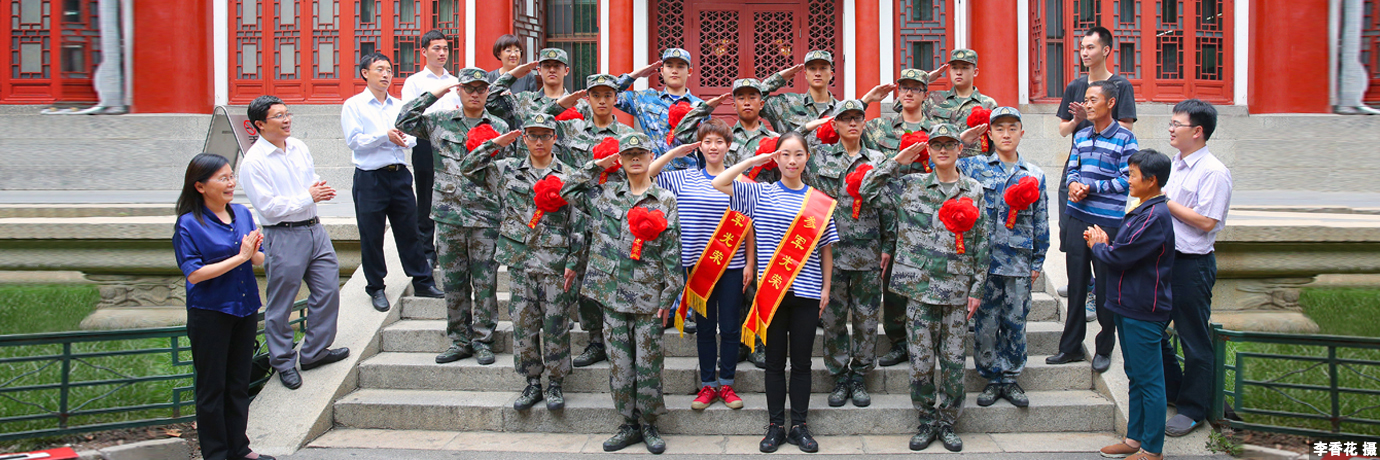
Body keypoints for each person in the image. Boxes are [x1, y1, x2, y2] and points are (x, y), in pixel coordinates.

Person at [856, 124, 989, 452]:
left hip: (956, 291)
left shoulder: (973, 189)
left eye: (949, 144)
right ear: (927, 150)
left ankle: (949, 421)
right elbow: (866, 189)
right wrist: (897, 161)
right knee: (920, 363)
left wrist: (977, 288)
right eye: (936, 145)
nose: (943, 150)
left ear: (960, 148)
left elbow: (982, 241)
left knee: (954, 363)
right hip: (919, 291)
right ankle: (927, 420)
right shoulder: (911, 185)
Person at [713, 131, 839, 454]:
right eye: (785, 154)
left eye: (798, 154)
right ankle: (776, 426)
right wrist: (756, 160)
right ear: (777, 158)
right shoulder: (760, 193)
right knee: (773, 363)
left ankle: (799, 426)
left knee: (802, 363)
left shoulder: (819, 201)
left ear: (807, 158)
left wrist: (826, 288)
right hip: (772, 294)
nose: (792, 161)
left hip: (807, 294)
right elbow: (720, 182)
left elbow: (826, 248)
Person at [567, 132, 683, 454]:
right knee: (620, 366)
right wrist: (596, 165)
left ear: (650, 157)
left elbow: (672, 250)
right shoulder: (605, 195)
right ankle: (628, 423)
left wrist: (670, 294)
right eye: (628, 154)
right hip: (613, 295)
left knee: (649, 364)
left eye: (640, 153)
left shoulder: (665, 199)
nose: (635, 159)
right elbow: (567, 190)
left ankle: (649, 423)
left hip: (648, 296)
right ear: (619, 160)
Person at [462, 113, 586, 413]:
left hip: (555, 263)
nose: (539, 141)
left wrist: (573, 261)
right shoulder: (506, 170)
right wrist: (494, 144)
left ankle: (555, 383)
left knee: (556, 325)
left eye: (545, 135)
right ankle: (532, 382)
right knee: (523, 325)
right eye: (533, 135)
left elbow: (579, 223)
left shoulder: (569, 175)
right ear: (525, 138)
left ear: (555, 138)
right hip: (520, 262)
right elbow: (468, 168)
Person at [397, 67, 510, 366]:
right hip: (449, 215)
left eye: (481, 89)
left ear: (488, 92)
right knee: (453, 282)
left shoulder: (499, 126)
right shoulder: (439, 121)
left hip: (485, 216)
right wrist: (435, 93)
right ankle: (459, 340)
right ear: (459, 91)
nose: (475, 94)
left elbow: (506, 172)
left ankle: (483, 340)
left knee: (485, 282)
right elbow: (403, 120)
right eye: (469, 88)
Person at [240, 95, 348, 390]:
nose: (286, 120)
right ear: (260, 124)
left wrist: (318, 189)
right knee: (281, 302)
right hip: (283, 235)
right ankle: (283, 361)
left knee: (328, 290)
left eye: (287, 113)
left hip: (315, 230)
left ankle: (315, 351)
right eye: (279, 116)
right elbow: (268, 207)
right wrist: (307, 197)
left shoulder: (298, 146)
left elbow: (310, 178)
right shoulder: (254, 163)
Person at [172, 153, 275, 460]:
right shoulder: (189, 224)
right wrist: (240, 257)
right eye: (223, 178)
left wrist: (260, 252)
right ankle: (216, 454)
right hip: (210, 313)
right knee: (212, 388)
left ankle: (240, 449)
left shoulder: (242, 213)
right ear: (200, 186)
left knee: (238, 384)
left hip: (245, 308)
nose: (231, 183)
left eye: (232, 176)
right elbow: (194, 274)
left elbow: (257, 258)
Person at [674, 79, 780, 366]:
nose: (747, 101)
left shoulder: (772, 140)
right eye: (740, 97)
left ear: (762, 102)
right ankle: (728, 358)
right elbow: (680, 137)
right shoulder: (719, 138)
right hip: (713, 241)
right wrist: (705, 108)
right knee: (719, 315)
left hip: (753, 230)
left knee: (753, 295)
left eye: (752, 96)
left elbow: (782, 176)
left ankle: (752, 347)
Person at [797, 100, 894, 408]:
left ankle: (860, 376)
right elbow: (792, 144)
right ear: (835, 124)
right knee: (834, 319)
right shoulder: (820, 157)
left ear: (864, 123)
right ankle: (839, 376)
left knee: (867, 318)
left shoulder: (878, 159)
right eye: (845, 118)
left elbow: (888, 205)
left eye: (857, 118)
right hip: (831, 254)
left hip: (868, 252)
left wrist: (888, 246)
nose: (852, 123)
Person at [649, 118, 748, 411]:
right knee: (704, 328)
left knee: (730, 327)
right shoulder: (684, 178)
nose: (713, 147)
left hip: (732, 265)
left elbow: (749, 226)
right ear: (700, 147)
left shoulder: (741, 182)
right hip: (697, 266)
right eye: (707, 141)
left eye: (719, 141)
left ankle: (726, 383)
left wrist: (750, 264)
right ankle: (707, 384)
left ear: (728, 146)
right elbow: (649, 176)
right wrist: (674, 153)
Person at [541, 74, 639, 367]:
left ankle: (620, 338)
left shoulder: (627, 135)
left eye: (608, 95)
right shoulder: (571, 130)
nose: (602, 101)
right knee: (586, 281)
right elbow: (538, 120)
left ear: (616, 99)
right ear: (588, 98)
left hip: (617, 219)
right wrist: (563, 103)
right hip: (582, 218)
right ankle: (596, 340)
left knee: (620, 277)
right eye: (596, 95)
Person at [957, 107, 1050, 408]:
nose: (1006, 134)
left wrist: (1037, 262)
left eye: (1012, 128)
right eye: (999, 128)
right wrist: (965, 139)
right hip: (984, 264)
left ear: (1022, 133)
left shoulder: (1034, 174)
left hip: (1018, 264)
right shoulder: (974, 167)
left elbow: (1041, 220)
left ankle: (1010, 378)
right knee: (985, 324)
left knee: (1015, 321)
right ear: (990, 133)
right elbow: (938, 161)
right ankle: (990, 378)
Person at [1088, 149, 1175, 460]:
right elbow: (1126, 250)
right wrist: (1106, 244)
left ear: (1152, 181)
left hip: (1143, 308)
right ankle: (1134, 439)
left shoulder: (1154, 216)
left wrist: (1099, 247)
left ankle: (1152, 450)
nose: (1128, 180)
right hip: (1128, 305)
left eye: (1133, 175)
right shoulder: (1143, 210)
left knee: (1150, 381)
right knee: (1136, 376)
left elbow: (1122, 257)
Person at [341, 52, 444, 312]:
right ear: (365, 73)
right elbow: (355, 141)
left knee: (409, 231)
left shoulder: (399, 105)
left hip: (399, 175)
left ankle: (422, 280)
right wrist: (384, 136)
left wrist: (401, 139)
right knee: (371, 234)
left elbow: (413, 137)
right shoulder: (354, 105)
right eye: (380, 69)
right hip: (370, 178)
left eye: (388, 70)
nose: (386, 74)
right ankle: (376, 286)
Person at [1049, 79, 1139, 374]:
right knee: (1077, 284)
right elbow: (1072, 168)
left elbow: (1127, 179)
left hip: (1107, 222)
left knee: (1105, 287)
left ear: (1110, 103)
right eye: (1086, 100)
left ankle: (1104, 347)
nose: (1086, 105)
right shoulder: (1081, 135)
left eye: (1093, 100)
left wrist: (1091, 187)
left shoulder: (1126, 139)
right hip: (1077, 216)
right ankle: (1071, 347)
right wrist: (1074, 184)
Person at [1160, 99, 1233, 437]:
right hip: (1165, 261)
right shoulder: (1175, 165)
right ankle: (1178, 391)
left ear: (1198, 131)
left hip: (1192, 265)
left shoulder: (1213, 172)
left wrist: (1164, 202)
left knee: (1193, 339)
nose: (1171, 129)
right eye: (1171, 123)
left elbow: (1206, 221)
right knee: (1151, 331)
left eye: (1177, 124)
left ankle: (1193, 410)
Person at [1054, 26, 1138, 315]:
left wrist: (1092, 119)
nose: (1084, 52)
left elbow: (1126, 126)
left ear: (1106, 50)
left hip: (1105, 171)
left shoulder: (1120, 86)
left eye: (1090, 47)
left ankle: (1096, 293)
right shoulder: (1075, 86)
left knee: (1100, 234)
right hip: (1076, 169)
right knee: (1069, 230)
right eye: (1082, 47)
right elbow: (1063, 130)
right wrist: (1078, 119)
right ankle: (1083, 282)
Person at [861, 68, 934, 368]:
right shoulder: (879, 128)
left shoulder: (937, 129)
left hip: (928, 221)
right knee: (892, 285)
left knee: (926, 283)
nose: (909, 93)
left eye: (916, 88)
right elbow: (842, 124)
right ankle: (898, 342)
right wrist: (866, 100)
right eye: (904, 88)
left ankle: (925, 341)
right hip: (891, 218)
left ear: (925, 94)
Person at [400, 30, 463, 266]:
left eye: (445, 48)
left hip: (453, 146)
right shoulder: (415, 82)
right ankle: (426, 251)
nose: (442, 53)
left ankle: (448, 247)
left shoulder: (455, 81)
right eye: (436, 48)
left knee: (452, 194)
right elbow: (407, 114)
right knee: (426, 196)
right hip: (426, 143)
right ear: (424, 51)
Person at [613, 48, 705, 170]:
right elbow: (610, 94)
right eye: (669, 66)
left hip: (688, 175)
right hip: (655, 173)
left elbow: (705, 147)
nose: (674, 71)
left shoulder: (699, 106)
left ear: (689, 71)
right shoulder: (645, 99)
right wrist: (635, 75)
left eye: (680, 66)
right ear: (662, 71)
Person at [759, 51, 892, 135]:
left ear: (831, 74)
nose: (817, 73)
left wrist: (867, 100)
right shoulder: (786, 104)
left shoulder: (840, 110)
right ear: (805, 74)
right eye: (812, 68)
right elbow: (755, 101)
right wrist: (778, 78)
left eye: (823, 68)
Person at [488, 48, 593, 129]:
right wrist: (511, 75)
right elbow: (488, 102)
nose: (552, 70)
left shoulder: (580, 105)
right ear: (539, 70)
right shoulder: (522, 100)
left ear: (566, 71)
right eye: (547, 66)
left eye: (557, 66)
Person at [924, 49, 997, 158]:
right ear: (949, 71)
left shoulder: (988, 104)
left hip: (975, 165)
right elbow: (902, 106)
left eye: (965, 68)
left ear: (975, 72)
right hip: (940, 162)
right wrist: (926, 79)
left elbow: (996, 144)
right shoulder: (934, 99)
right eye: (954, 68)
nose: (958, 72)